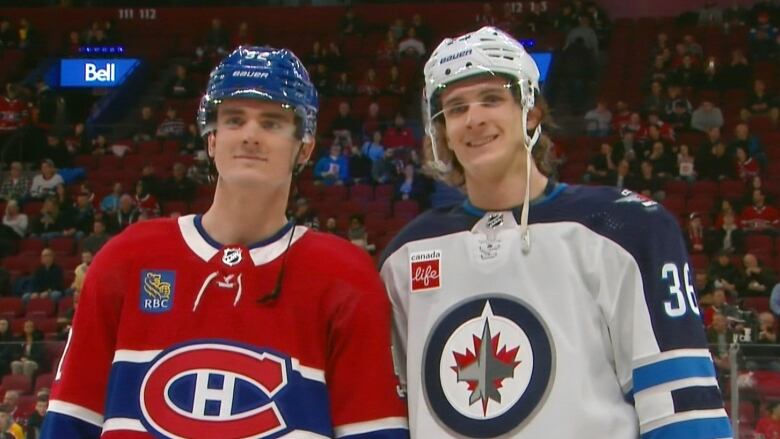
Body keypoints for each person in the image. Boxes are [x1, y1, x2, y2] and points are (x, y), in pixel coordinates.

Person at [379, 27, 731, 438]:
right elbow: (391, 410)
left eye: (492, 99)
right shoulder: (406, 255)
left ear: (531, 112)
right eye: (456, 108)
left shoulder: (628, 231)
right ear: (442, 131)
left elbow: (682, 411)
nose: (473, 119)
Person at [42, 46, 408, 439]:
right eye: (235, 120)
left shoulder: (346, 276)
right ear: (211, 139)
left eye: (271, 123)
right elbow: (69, 424)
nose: (250, 135)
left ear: (305, 146)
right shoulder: (128, 257)